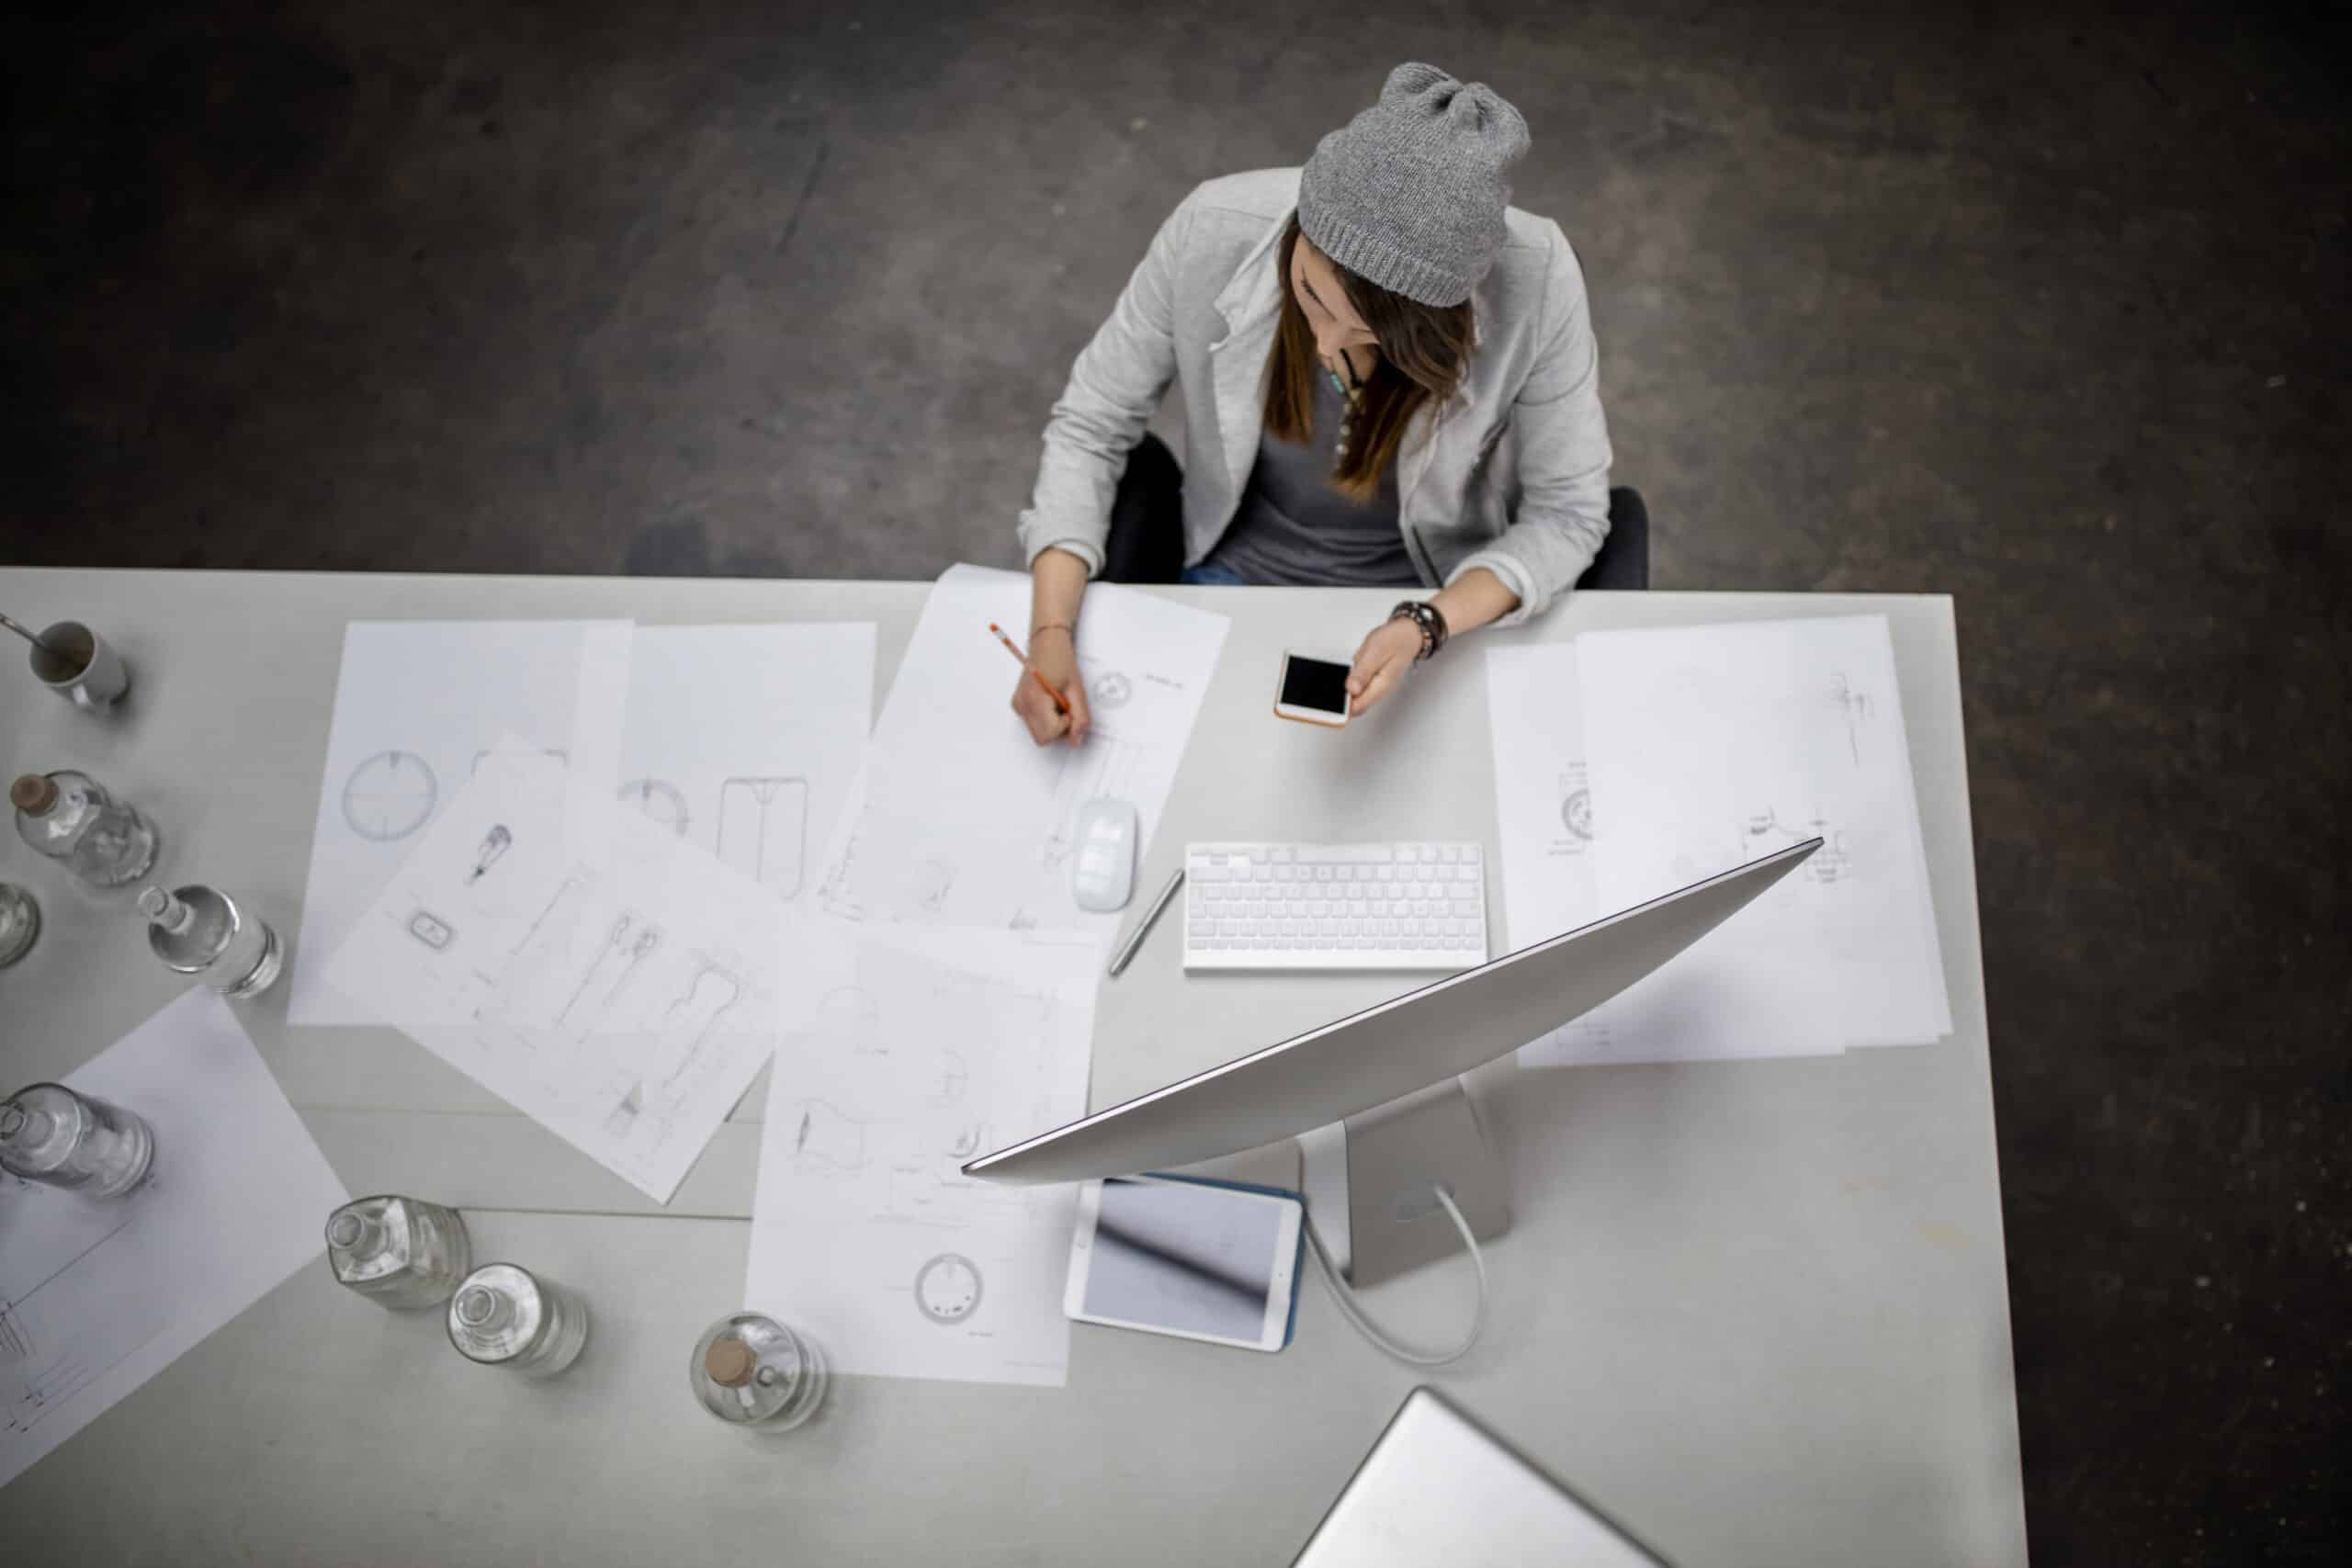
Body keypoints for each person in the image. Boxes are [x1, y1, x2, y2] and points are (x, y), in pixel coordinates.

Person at [1010, 62, 1618, 746]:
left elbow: (1570, 513)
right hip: (1233, 578)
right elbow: (1092, 423)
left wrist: (1427, 622)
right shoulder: (1212, 229)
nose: (1328, 346)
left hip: (1436, 594)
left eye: (1370, 336)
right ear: (1301, 230)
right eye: (1311, 298)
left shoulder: (1538, 278)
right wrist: (1050, 631)